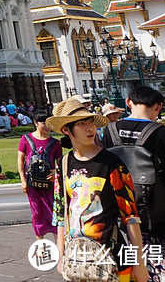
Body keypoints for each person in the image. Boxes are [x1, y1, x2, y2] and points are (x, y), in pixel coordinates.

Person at [49, 97, 148, 282]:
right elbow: (61, 216)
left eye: (91, 122)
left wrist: (139, 263)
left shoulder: (111, 163)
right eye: (81, 123)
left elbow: (131, 216)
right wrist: (61, 256)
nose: (90, 128)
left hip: (113, 256)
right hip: (77, 258)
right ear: (66, 129)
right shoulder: (63, 164)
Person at [105, 85, 165, 279]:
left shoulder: (110, 131)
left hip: (129, 216)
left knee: (140, 268)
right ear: (159, 107)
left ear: (129, 102)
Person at [17, 109, 62, 241]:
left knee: (54, 211)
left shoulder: (55, 143)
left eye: (49, 123)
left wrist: (56, 172)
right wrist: (23, 180)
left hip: (50, 183)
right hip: (32, 183)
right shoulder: (26, 139)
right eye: (44, 123)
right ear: (36, 123)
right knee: (37, 212)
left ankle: (59, 244)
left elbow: (60, 162)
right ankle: (40, 243)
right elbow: (20, 159)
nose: (47, 126)